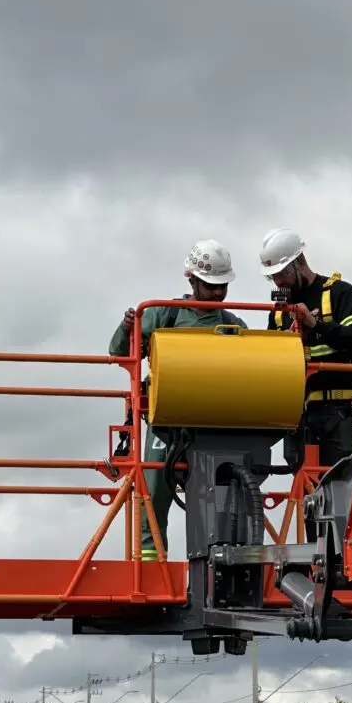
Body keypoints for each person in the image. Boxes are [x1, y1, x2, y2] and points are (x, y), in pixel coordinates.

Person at [109, 239, 247, 561]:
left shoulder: (233, 325)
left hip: (213, 427)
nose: (217, 293)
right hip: (166, 425)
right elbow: (119, 353)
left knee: (221, 497)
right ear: (192, 280)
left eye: (222, 286)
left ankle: (219, 562)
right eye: (211, 286)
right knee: (154, 491)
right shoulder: (163, 314)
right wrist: (126, 328)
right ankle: (150, 559)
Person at [259, 227, 352, 471]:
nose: (278, 282)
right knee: (307, 496)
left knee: (341, 484)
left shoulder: (341, 294)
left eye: (281, 273)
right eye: (272, 276)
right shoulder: (279, 314)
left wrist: (316, 325)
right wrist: (283, 346)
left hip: (338, 412)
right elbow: (268, 365)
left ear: (299, 262)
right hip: (297, 417)